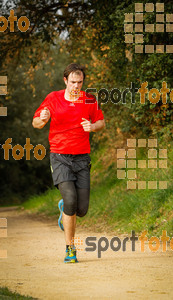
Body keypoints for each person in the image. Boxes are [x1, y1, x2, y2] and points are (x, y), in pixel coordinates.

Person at [32, 63, 105, 263]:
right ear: (65, 80)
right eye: (73, 82)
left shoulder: (89, 100)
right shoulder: (53, 98)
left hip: (82, 158)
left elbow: (101, 122)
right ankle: (70, 249)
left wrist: (92, 126)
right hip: (60, 156)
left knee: (81, 210)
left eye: (80, 82)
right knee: (72, 200)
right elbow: (36, 122)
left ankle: (64, 207)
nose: (76, 86)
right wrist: (43, 118)